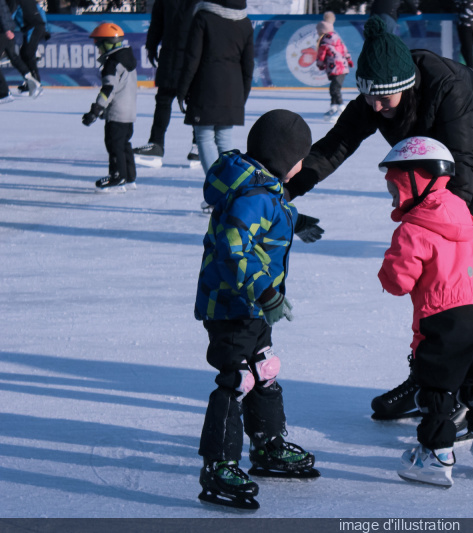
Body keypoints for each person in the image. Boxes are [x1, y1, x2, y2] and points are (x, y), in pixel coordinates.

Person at [282, 16, 473, 422]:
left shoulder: (447, 87)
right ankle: (427, 380)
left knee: (453, 280)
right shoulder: (376, 94)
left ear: (406, 86)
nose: (376, 109)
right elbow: (337, 144)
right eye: (369, 100)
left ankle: (460, 400)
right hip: (442, 174)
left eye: (384, 101)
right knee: (432, 285)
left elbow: (463, 166)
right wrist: (287, 189)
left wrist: (435, 226)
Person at [194, 110, 320, 511]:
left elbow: (270, 214)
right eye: (300, 157)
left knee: (264, 368)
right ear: (284, 158)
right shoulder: (255, 196)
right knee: (238, 379)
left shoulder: (264, 188)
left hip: (250, 306)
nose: (302, 166)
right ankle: (219, 464)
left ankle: (267, 445)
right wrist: (267, 294)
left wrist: (295, 220)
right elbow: (235, 246)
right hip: (232, 306)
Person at [377, 137, 473, 488]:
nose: (392, 193)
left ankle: (435, 457)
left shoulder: (413, 229)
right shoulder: (463, 214)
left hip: (443, 319)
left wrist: (389, 263)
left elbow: (397, 282)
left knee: (438, 390)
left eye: (395, 185)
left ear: (415, 180)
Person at [176, 0, 254, 179]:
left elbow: (192, 58)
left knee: (204, 137)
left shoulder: (204, 17)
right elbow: (248, 64)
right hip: (233, 88)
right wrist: (242, 95)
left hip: (206, 86)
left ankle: (218, 190)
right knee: (224, 139)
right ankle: (229, 188)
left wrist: (182, 89)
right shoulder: (245, 22)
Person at [133, 0, 201, 169]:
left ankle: (197, 145)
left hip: (190, 56)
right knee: (169, 100)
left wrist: (151, 45)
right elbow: (157, 21)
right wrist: (151, 45)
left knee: (192, 101)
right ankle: (158, 144)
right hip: (177, 56)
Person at [81, 23, 137, 192]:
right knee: (124, 144)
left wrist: (95, 110)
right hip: (129, 112)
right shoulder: (127, 58)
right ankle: (129, 178)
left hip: (117, 112)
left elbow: (108, 90)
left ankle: (117, 176)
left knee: (114, 145)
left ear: (107, 43)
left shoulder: (112, 64)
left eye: (98, 44)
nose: (97, 49)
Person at [0, 0, 41, 102]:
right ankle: (29, 76)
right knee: (14, 57)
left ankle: (4, 93)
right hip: (7, 30)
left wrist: (6, 30)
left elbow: (3, 12)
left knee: (19, 56)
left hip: (3, 31)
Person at [315, 15, 353, 123]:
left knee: (334, 88)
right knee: (334, 88)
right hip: (341, 68)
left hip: (335, 68)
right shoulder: (337, 38)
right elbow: (344, 50)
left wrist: (320, 64)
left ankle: (341, 107)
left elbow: (321, 55)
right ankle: (334, 106)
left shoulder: (324, 41)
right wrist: (349, 60)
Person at [10, 0, 47, 95]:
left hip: (32, 27)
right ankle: (31, 83)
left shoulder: (13, 2)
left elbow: (10, 16)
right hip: (36, 26)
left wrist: (6, 29)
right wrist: (44, 27)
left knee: (27, 54)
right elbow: (41, 11)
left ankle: (36, 84)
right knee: (24, 54)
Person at [454, 0, 473, 69]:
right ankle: (472, 71)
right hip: (465, 25)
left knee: (466, 48)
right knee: (468, 50)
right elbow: (457, 6)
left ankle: (469, 70)